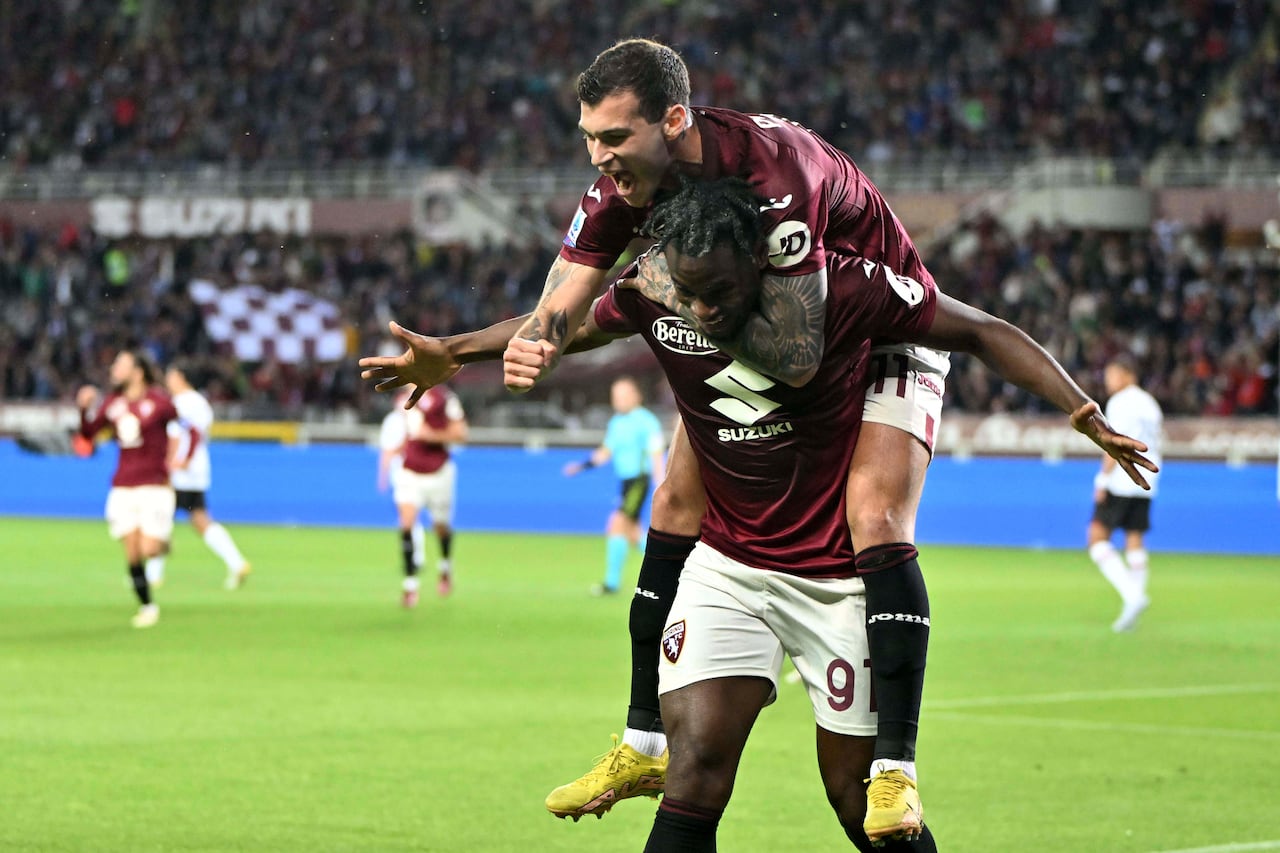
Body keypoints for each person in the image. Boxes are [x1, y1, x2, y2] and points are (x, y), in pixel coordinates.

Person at [360, 178, 1157, 850]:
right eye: (690, 291)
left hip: (837, 573)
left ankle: (895, 768)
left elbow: (980, 330)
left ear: (764, 265)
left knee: (856, 802)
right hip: (731, 563)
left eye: (723, 291)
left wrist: (1084, 412)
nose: (704, 311)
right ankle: (642, 743)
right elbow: (558, 329)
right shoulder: (654, 289)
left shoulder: (843, 288)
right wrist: (456, 349)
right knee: (698, 759)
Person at [373, 38, 953, 840]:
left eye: (613, 138)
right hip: (740, 309)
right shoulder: (628, 190)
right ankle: (643, 736)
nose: (598, 157)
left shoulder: (773, 177)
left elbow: (796, 353)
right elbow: (566, 303)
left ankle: (897, 766)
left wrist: (655, 296)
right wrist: (493, 347)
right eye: (588, 138)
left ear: (674, 119)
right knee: (680, 493)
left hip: (878, 327)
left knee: (874, 518)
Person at [76, 349, 180, 629]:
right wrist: (84, 408)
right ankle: (148, 605)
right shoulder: (113, 403)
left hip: (154, 485)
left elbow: (180, 429)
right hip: (123, 485)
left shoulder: (160, 403)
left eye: (120, 364)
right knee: (133, 553)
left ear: (137, 371)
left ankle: (163, 542)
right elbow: (88, 434)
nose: (114, 369)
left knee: (150, 548)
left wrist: (173, 460)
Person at [141, 360, 252, 590]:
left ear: (181, 377)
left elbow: (186, 434)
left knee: (160, 516)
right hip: (197, 472)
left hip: (180, 471)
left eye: (171, 376)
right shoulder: (201, 403)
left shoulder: (181, 403)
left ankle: (152, 575)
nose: (168, 381)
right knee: (199, 518)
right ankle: (236, 562)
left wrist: (176, 461)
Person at [563, 376, 667, 596]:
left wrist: (661, 483)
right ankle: (670, 571)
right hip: (625, 483)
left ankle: (612, 583)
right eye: (615, 396)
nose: (618, 400)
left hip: (640, 480)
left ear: (636, 396)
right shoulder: (616, 423)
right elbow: (604, 454)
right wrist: (581, 467)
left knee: (617, 523)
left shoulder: (646, 421)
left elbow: (656, 453)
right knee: (631, 532)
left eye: (623, 395)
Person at [1087, 353, 1164, 632]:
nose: (1108, 382)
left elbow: (1113, 443)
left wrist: (1102, 481)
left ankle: (1133, 596)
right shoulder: (1151, 404)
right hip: (1148, 480)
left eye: (1111, 375)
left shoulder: (1121, 402)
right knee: (1134, 538)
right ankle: (1134, 605)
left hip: (1122, 477)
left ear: (1126, 374)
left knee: (1097, 538)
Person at [384, 383, 469, 607]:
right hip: (410, 470)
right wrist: (392, 453)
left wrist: (431, 435)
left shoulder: (445, 399)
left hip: (438, 472)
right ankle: (410, 585)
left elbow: (461, 434)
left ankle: (445, 566)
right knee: (406, 524)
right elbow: (407, 433)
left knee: (440, 527)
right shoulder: (404, 399)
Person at [378, 389, 426, 582]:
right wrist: (382, 476)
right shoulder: (391, 421)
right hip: (398, 474)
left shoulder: (415, 418)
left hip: (413, 473)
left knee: (409, 518)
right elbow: (387, 451)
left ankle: (416, 556)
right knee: (407, 518)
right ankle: (414, 555)